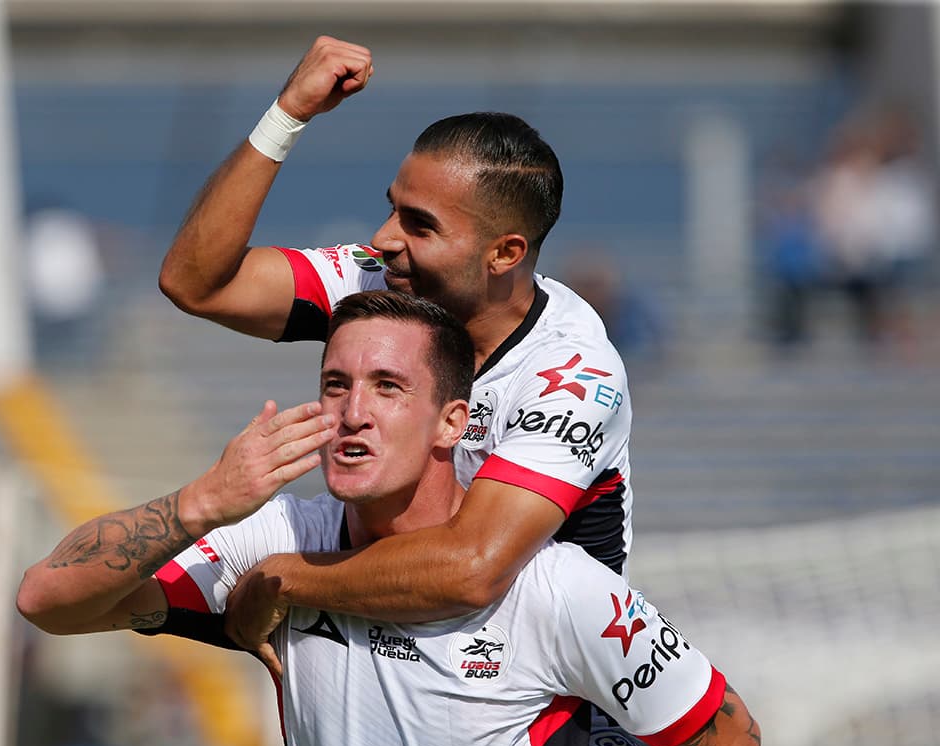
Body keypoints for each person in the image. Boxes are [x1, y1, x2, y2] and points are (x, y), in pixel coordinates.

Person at [17, 291, 761, 746]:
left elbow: (727, 740)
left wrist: (288, 582)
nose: (354, 414)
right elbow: (46, 598)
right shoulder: (278, 538)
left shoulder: (556, 587)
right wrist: (201, 503)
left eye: (388, 387)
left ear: (452, 422)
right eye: (335, 385)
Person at [157, 36, 633, 651]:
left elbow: (471, 568)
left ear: (505, 253)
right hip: (402, 661)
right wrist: (288, 115)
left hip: (543, 706)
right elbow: (196, 282)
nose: (382, 239)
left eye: (420, 225)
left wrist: (280, 579)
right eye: (393, 209)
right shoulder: (386, 281)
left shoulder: (571, 370)